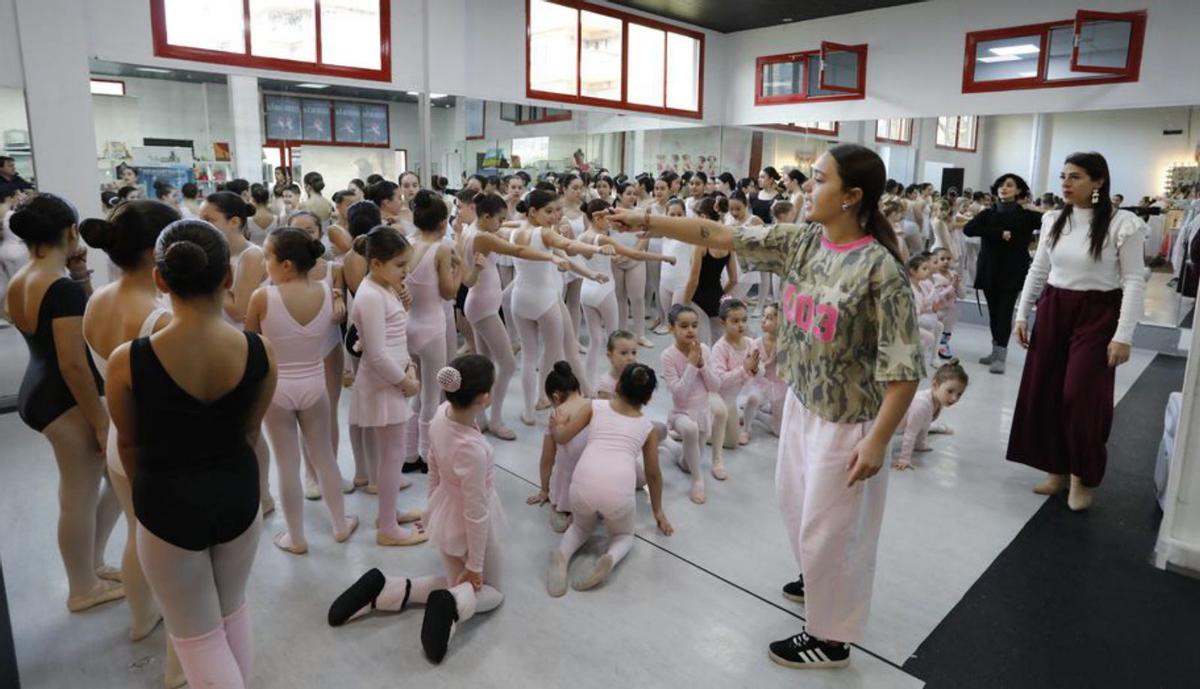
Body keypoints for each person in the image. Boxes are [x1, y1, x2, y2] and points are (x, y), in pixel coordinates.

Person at [608, 143, 924, 670]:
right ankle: (819, 580)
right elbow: (719, 235)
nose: (807, 187)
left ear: (851, 196)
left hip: (847, 420)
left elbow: (904, 370)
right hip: (802, 402)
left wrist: (877, 439)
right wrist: (648, 219)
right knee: (796, 505)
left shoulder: (880, 271)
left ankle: (831, 637)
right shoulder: (803, 241)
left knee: (832, 528)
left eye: (819, 180)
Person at [105, 218, 279, 689]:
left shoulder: (128, 359)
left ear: (160, 279)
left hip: (166, 498)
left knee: (197, 637)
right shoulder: (259, 350)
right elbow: (249, 429)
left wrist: (155, 496)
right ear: (227, 278)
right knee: (232, 611)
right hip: (238, 494)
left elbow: (129, 442)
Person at [328, 356, 505, 665]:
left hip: (445, 510)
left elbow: (433, 463)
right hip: (468, 523)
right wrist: (475, 563)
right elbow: (477, 513)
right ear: (484, 397)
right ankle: (452, 603)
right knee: (490, 591)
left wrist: (431, 509)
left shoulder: (438, 415)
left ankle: (389, 590)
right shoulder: (475, 450)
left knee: (454, 579)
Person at [79, 200, 183, 685]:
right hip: (159, 450)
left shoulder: (96, 299)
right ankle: (180, 663)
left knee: (138, 536)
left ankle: (142, 619)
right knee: (177, 557)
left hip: (122, 438)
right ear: (157, 251)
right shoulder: (159, 319)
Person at [1008, 152, 1148, 512]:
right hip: (1055, 308)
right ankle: (1056, 468)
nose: (1066, 183)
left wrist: (1124, 335)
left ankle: (1082, 476)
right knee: (1048, 391)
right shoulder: (1055, 218)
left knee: (1081, 396)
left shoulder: (1123, 223)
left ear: (1098, 181)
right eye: (1063, 177)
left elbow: (1134, 280)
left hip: (1098, 312)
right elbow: (1038, 270)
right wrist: (1023, 313)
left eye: (1076, 177)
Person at [7, 193, 122, 614]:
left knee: (111, 482)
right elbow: (75, 366)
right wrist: (100, 422)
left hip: (38, 387)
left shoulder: (24, 279)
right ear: (72, 231)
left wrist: (79, 274)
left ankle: (92, 565)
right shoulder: (58, 290)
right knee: (78, 494)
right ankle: (81, 587)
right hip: (62, 398)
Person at [244, 227, 357, 553]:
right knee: (324, 456)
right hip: (314, 382)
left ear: (287, 265)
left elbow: (250, 344)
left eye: (267, 257)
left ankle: (296, 537)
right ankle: (339, 524)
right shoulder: (325, 291)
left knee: (287, 463)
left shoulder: (263, 297)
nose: (264, 262)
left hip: (276, 387)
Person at [546, 362, 673, 596]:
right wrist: (658, 512)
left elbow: (562, 438)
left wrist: (557, 428)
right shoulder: (647, 428)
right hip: (618, 493)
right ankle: (609, 559)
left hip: (582, 484)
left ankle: (562, 556)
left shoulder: (595, 406)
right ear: (649, 399)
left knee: (580, 527)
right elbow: (653, 475)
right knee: (624, 535)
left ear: (617, 385)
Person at [348, 226, 427, 546]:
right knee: (392, 455)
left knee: (391, 455)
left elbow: (392, 334)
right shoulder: (370, 295)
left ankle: (387, 515)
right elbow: (376, 352)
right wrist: (405, 381)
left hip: (392, 377)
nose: (405, 271)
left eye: (406, 264)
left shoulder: (384, 288)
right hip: (384, 382)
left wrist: (403, 303)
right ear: (376, 263)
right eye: (399, 265)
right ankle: (387, 529)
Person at [964, 173, 1041, 374]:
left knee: (1005, 313)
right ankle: (996, 349)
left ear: (1018, 191)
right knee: (994, 313)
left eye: (1009, 185)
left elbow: (1051, 223)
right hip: (990, 269)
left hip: (1013, 271)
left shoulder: (1026, 216)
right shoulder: (987, 214)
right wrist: (998, 233)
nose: (1003, 188)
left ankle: (1001, 355)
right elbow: (968, 229)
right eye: (1000, 185)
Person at [660, 304, 726, 504]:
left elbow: (715, 386)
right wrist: (690, 365)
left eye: (694, 325)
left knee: (687, 463)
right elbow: (680, 394)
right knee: (690, 430)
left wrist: (702, 365)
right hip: (681, 413)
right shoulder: (668, 356)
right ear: (672, 328)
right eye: (684, 325)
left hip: (703, 413)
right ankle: (698, 481)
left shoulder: (704, 349)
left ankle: (666, 442)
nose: (690, 330)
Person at [892, 362, 968, 470]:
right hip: (893, 428)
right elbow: (910, 432)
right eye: (950, 391)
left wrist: (920, 445)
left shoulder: (938, 400)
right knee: (922, 425)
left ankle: (939, 428)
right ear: (935, 385)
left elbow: (925, 425)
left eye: (959, 394)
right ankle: (940, 427)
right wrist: (904, 458)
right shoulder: (922, 404)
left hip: (910, 424)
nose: (954, 398)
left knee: (925, 424)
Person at [711, 297, 760, 448]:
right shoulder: (720, 348)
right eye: (735, 321)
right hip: (721, 396)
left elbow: (759, 371)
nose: (741, 325)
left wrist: (756, 369)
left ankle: (744, 426)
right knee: (732, 443)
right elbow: (720, 381)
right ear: (723, 322)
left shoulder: (750, 343)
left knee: (755, 396)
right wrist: (744, 369)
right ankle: (696, 433)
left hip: (737, 394)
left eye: (744, 320)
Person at [742, 302, 785, 439]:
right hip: (760, 382)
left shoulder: (785, 344)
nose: (763, 320)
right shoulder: (756, 343)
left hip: (778, 385)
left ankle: (758, 415)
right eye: (763, 316)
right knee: (753, 399)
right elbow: (757, 371)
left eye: (769, 318)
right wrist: (764, 364)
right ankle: (746, 429)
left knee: (779, 431)